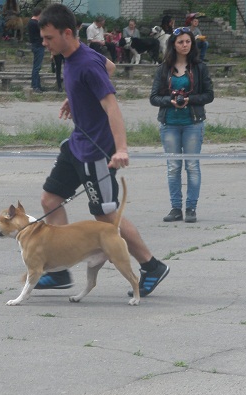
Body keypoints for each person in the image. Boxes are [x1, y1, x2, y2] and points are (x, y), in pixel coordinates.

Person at [35, 4, 169, 297]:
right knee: (50, 199)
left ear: (66, 33)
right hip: (76, 145)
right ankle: (58, 271)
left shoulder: (85, 63)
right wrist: (75, 97)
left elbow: (111, 106)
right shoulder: (78, 55)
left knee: (106, 218)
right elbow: (110, 67)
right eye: (43, 38)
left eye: (48, 38)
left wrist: (121, 149)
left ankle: (151, 265)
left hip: (97, 152)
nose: (44, 43)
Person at [150, 26, 213, 223]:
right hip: (169, 123)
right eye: (180, 42)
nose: (185, 45)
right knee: (173, 167)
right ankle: (176, 208)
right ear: (173, 45)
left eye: (188, 42)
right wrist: (170, 101)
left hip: (192, 123)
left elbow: (209, 95)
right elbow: (153, 98)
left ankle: (191, 208)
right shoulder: (164, 68)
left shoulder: (199, 67)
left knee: (192, 166)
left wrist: (189, 100)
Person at [28, 8, 44, 93]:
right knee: (37, 67)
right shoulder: (35, 23)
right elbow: (42, 33)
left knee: (36, 66)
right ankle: (35, 85)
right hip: (38, 45)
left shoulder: (30, 22)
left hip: (35, 45)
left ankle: (37, 84)